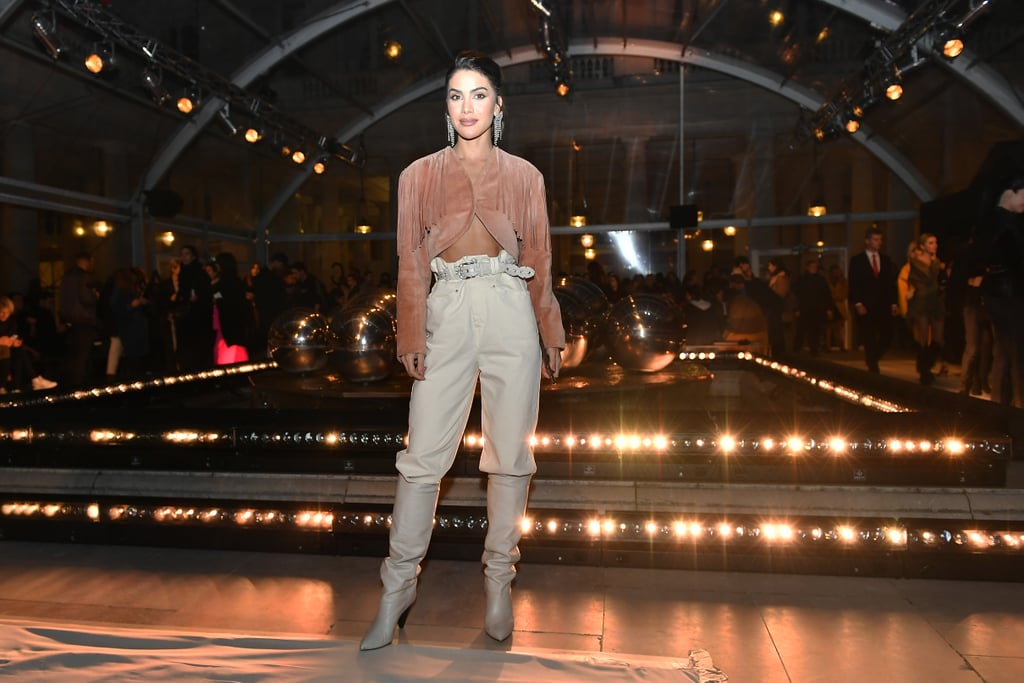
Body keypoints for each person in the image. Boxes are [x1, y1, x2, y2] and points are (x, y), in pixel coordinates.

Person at [361, 51, 564, 651]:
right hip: (446, 308)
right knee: (422, 457)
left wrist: (550, 331)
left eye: (479, 95)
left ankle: (500, 584)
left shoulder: (525, 176)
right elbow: (409, 263)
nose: (467, 106)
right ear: (444, 106)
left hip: (510, 306)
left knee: (510, 457)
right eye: (455, 95)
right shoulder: (417, 175)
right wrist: (410, 332)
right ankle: (396, 590)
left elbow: (543, 260)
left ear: (499, 105)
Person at [976, 174, 1024, 407]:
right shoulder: (1005, 223)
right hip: (1008, 293)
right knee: (1014, 352)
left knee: (1005, 352)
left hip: (1000, 293)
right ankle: (1016, 405)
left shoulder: (992, 221)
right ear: (1011, 191)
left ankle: (1002, 405)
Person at [847, 226, 899, 373]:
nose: (879, 242)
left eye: (880, 240)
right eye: (876, 239)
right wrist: (857, 303)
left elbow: (890, 283)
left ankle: (873, 357)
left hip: (882, 303)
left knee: (888, 333)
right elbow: (854, 283)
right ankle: (873, 364)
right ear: (867, 241)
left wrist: (893, 302)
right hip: (866, 304)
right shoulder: (857, 261)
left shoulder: (885, 260)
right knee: (868, 335)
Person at [905, 233, 947, 384]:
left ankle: (925, 365)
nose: (934, 245)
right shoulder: (916, 262)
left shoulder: (937, 262)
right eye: (930, 243)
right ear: (922, 246)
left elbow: (939, 280)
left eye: (935, 242)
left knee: (938, 339)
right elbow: (926, 279)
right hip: (922, 301)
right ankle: (924, 371)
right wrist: (936, 264)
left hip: (935, 301)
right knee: (923, 338)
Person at [59, 251, 100, 387]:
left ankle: (71, 382)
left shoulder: (67, 276)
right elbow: (85, 298)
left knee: (73, 352)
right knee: (83, 354)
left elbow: (63, 299)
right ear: (87, 261)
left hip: (70, 319)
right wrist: (95, 296)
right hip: (84, 318)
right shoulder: (84, 277)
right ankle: (79, 383)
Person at [0, 295, 57, 392]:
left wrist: (13, 341)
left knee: (19, 350)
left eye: (7, 313)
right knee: (18, 351)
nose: (4, 315)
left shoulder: (11, 321)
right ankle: (33, 379)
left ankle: (17, 387)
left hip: (9, 349)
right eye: (1, 312)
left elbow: (13, 335)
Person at [792, 258, 833, 356]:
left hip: (817, 309)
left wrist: (828, 308)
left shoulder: (820, 280)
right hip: (804, 309)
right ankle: (797, 349)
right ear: (807, 268)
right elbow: (796, 295)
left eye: (815, 267)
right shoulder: (801, 280)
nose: (814, 268)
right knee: (801, 330)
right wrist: (797, 308)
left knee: (816, 331)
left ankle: (814, 350)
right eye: (812, 267)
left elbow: (826, 295)